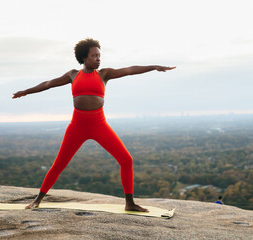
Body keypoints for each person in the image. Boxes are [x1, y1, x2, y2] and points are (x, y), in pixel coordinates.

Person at [12, 38, 176, 212]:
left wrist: (153, 67)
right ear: (84, 58)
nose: (98, 59)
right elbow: (49, 84)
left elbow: (129, 70)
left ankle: (130, 203)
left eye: (99, 55)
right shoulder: (73, 75)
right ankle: (37, 200)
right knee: (59, 165)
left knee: (126, 160)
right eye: (94, 56)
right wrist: (26, 92)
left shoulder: (104, 74)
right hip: (77, 127)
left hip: (99, 125)